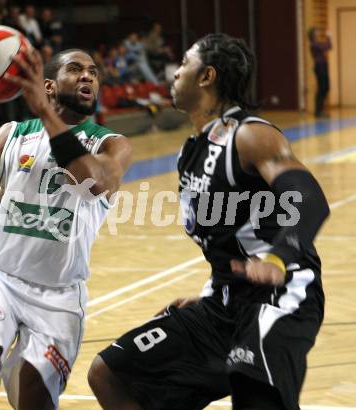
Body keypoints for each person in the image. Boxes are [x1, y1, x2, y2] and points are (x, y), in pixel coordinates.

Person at [89, 33, 330, 410]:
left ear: (207, 76)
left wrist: (279, 256)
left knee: (255, 393)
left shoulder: (250, 135)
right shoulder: (192, 152)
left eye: (184, 64)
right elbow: (226, 240)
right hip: (223, 302)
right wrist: (209, 292)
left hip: (279, 296)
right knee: (111, 373)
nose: (175, 73)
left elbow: (308, 197)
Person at [0, 47, 132, 410]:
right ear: (49, 86)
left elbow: (94, 180)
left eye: (93, 71)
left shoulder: (111, 143)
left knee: (34, 392)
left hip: (59, 295)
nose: (88, 76)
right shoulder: (12, 134)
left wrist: (43, 110)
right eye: (75, 69)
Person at [308, 27, 332, 118]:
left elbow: (329, 46)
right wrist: (328, 37)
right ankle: (318, 111)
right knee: (322, 88)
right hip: (319, 67)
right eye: (316, 31)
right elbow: (326, 46)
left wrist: (328, 39)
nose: (318, 32)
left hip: (323, 67)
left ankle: (320, 110)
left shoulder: (317, 43)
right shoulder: (313, 44)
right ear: (313, 34)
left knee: (325, 88)